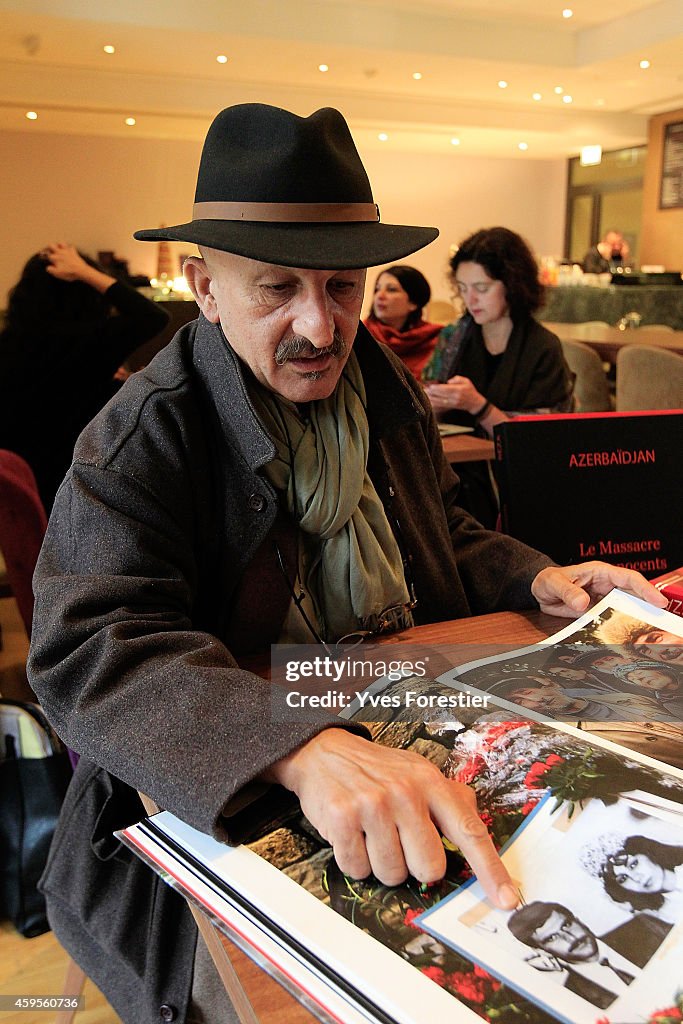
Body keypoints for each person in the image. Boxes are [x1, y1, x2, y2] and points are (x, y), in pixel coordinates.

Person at [27, 103, 668, 1024]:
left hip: (418, 704)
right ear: (204, 287)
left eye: (340, 287)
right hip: (237, 769)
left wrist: (535, 578)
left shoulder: (382, 381)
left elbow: (439, 531)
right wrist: (288, 741)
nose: (319, 328)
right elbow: (86, 646)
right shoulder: (143, 434)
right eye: (275, 288)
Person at [422, 227, 574, 526]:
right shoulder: (456, 335)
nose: (470, 300)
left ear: (512, 285)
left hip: (519, 483)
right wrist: (434, 404)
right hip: (457, 475)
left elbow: (543, 440)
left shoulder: (542, 347)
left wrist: (476, 404)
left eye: (482, 287)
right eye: (463, 288)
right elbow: (425, 397)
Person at [0, 243, 168, 511]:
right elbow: (153, 316)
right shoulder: (93, 343)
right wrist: (83, 271)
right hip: (75, 484)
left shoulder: (9, 344)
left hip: (16, 485)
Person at [507, 900, 670, 1007]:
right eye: (553, 938)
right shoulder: (571, 1000)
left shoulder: (645, 927)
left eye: (567, 925)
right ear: (543, 951)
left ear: (579, 920)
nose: (570, 937)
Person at [363, 264, 443, 377]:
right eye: (377, 289)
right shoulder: (361, 335)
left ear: (413, 303)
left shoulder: (435, 339)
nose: (379, 296)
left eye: (391, 290)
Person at [591, 835, 683, 923]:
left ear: (648, 853)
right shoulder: (668, 913)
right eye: (623, 879)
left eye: (633, 865)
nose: (636, 878)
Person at [487, 678, 668, 722]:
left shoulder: (627, 698)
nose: (534, 700)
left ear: (547, 687)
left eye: (525, 692)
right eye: (519, 703)